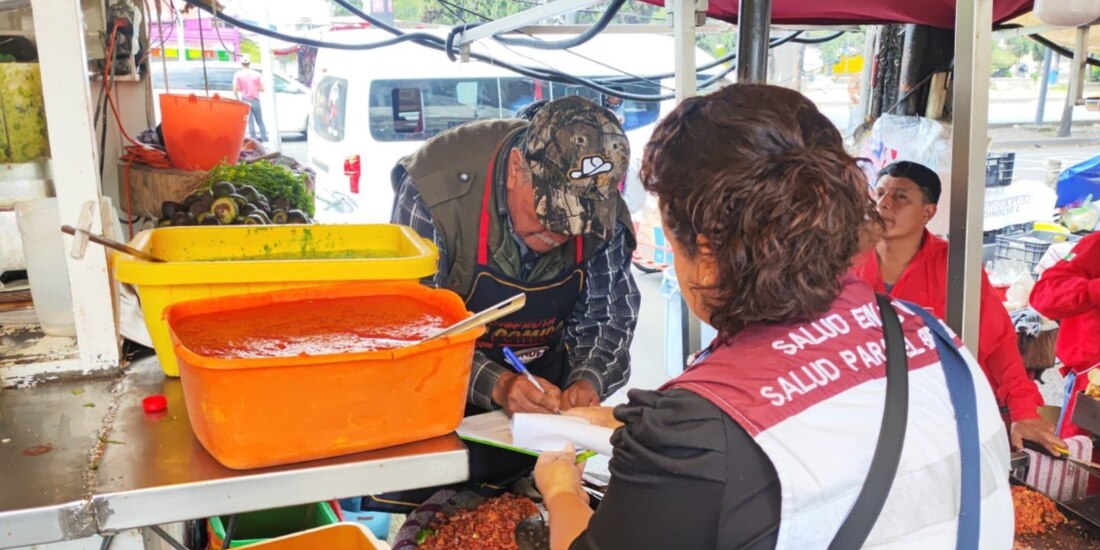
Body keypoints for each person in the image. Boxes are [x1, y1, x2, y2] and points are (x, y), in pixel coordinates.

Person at [533, 84, 1012, 549]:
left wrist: (560, 489)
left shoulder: (694, 433)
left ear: (704, 255)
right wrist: (624, 424)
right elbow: (825, 442)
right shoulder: (932, 334)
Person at [391, 95, 639, 417]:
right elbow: (415, 332)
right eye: (553, 214)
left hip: (545, 405)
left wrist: (588, 379)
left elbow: (609, 318)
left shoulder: (604, 214)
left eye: (579, 224)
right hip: (440, 404)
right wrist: (499, 385)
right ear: (515, 169)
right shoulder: (435, 190)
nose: (562, 233)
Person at [851, 160, 1065, 454]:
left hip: (934, 411)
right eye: (880, 193)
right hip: (858, 406)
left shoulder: (953, 267)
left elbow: (999, 341)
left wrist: (1024, 410)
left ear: (928, 212)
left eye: (901, 196)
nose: (884, 204)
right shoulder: (846, 256)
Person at [1030, 231, 1100, 438]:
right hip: (1090, 390)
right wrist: (1093, 290)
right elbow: (1044, 293)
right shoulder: (1093, 246)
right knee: (1082, 464)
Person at [233, 55, 268, 142]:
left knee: (250, 122)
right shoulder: (257, 74)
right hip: (256, 100)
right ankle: (265, 140)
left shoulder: (237, 74)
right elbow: (263, 88)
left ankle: (254, 142)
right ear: (249, 63)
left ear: (242, 63)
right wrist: (255, 88)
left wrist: (238, 99)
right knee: (260, 121)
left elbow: (234, 90)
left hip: (245, 100)